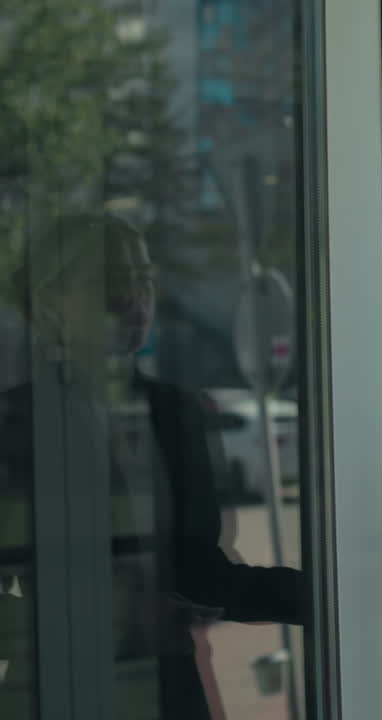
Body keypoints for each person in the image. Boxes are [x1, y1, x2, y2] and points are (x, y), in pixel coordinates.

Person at [0, 213, 303, 719]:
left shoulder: (175, 409)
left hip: (167, 691)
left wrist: (323, 595)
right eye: (109, 280)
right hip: (56, 691)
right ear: (48, 303)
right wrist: (120, 618)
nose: (132, 298)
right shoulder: (14, 422)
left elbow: (199, 571)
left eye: (143, 279)